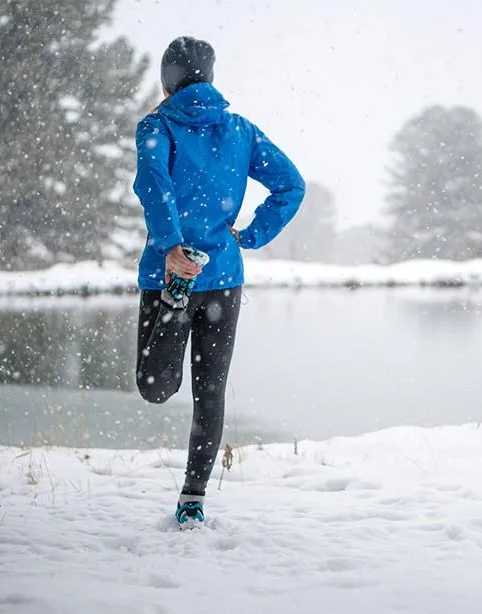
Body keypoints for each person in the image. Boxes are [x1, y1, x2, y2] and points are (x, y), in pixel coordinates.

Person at [133, 36, 305, 527]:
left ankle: (173, 301)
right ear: (209, 74)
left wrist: (170, 247)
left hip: (169, 270)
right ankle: (193, 496)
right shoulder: (240, 130)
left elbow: (154, 185)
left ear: (168, 78)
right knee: (211, 392)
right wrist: (250, 235)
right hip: (223, 276)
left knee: (155, 387)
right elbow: (291, 185)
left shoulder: (156, 126)